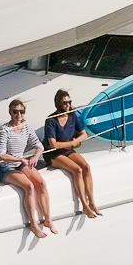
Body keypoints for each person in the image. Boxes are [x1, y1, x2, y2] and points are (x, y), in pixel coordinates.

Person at [0, 99, 55, 238]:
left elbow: (39, 145)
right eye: (15, 112)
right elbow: (1, 154)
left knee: (41, 183)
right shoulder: (5, 130)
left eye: (21, 112)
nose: (18, 115)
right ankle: (33, 224)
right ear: (10, 112)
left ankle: (48, 219)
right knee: (29, 186)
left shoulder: (26, 127)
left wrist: (35, 157)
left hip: (19, 162)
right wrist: (20, 159)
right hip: (6, 166)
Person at [42, 89, 100, 218]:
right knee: (77, 170)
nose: (68, 105)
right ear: (58, 104)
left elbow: (84, 134)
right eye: (64, 103)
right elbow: (53, 144)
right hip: (53, 154)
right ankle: (84, 205)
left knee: (86, 167)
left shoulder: (72, 115)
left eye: (69, 102)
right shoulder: (51, 120)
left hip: (67, 149)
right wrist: (71, 143)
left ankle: (92, 202)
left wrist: (75, 142)